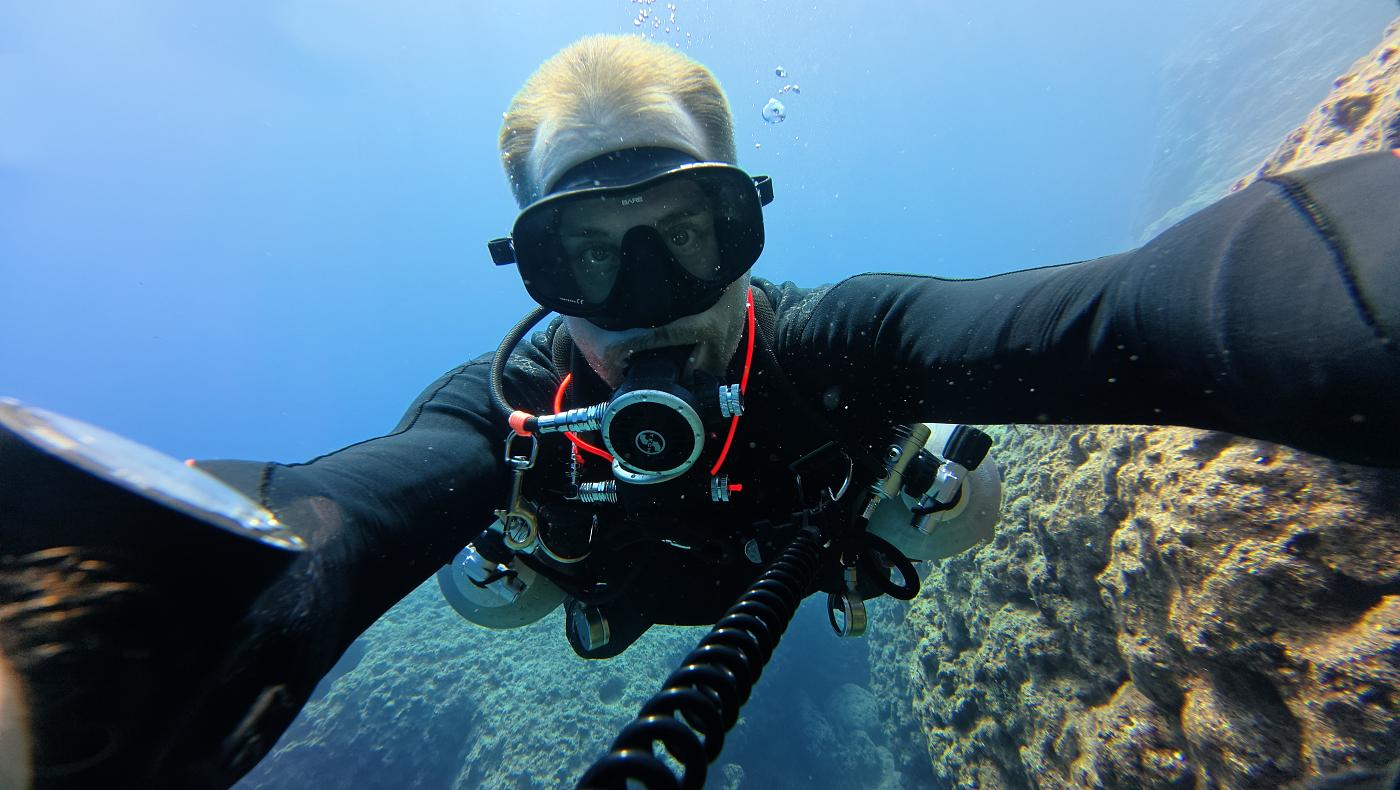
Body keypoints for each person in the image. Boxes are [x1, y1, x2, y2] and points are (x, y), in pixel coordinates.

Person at [2, 33, 1399, 790]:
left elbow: (1150, 306)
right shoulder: (505, 407)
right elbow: (335, 512)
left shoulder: (840, 341)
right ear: (531, 267)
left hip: (822, 546)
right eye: (584, 257)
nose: (644, 295)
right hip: (587, 589)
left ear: (747, 220)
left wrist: (1346, 293)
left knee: (955, 518)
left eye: (689, 229)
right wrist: (107, 616)